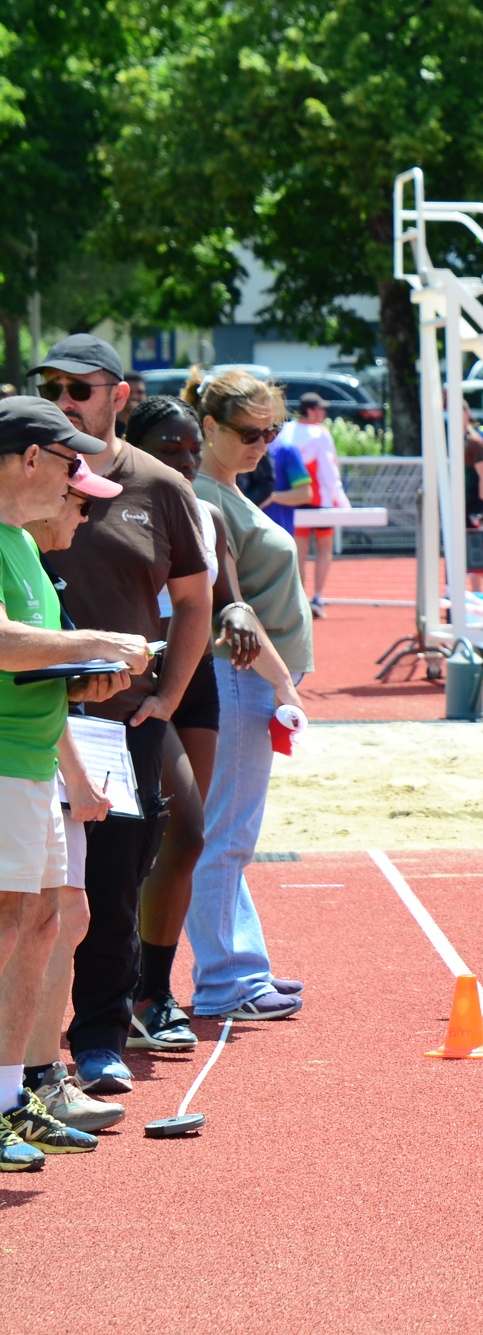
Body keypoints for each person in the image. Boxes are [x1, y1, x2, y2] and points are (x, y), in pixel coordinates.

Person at [35, 335, 214, 1097]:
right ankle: (29, 1056)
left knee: (113, 885)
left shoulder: (161, 485)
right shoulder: (28, 475)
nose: (64, 400)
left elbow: (196, 600)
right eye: (52, 386)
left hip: (121, 722)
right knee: (35, 895)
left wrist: (167, 697)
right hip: (30, 716)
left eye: (79, 388)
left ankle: (101, 1036)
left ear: (119, 395)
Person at [0, 397, 152, 1167]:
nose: (76, 481)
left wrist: (80, 674)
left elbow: (29, 660)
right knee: (11, 926)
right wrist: (100, 641)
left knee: (40, 923)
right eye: (68, 463)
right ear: (31, 458)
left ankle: (14, 1097)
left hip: (29, 763)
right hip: (5, 762)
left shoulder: (20, 544)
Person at [124, 395, 301, 1050]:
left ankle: (153, 990)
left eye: (189, 450)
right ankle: (133, 988)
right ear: (134, 447)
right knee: (148, 838)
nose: (183, 461)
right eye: (168, 449)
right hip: (134, 684)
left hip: (194, 684)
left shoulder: (206, 513)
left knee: (185, 835)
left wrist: (237, 617)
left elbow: (228, 600)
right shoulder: (105, 507)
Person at [187, 368, 314, 1021]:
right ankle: (223, 980)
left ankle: (240, 966)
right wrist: (283, 679)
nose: (262, 444)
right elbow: (228, 609)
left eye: (272, 432)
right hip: (239, 676)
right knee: (225, 833)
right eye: (248, 432)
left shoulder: (229, 491)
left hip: (247, 678)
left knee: (229, 831)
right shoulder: (205, 496)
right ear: (209, 426)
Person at [22, 456, 140, 1135]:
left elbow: (41, 679)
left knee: (62, 918)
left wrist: (79, 684)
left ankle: (38, 1079)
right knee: (38, 922)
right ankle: (29, 1082)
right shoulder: (15, 554)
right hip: (22, 764)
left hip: (40, 758)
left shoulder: (34, 562)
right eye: (79, 501)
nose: (86, 516)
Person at [277, 392, 346, 615]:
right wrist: (341, 501)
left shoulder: (286, 431)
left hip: (295, 498)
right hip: (320, 500)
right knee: (324, 549)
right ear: (310, 410)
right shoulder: (320, 434)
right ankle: (317, 597)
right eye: (320, 409)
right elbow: (329, 470)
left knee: (299, 552)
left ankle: (299, 598)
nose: (324, 413)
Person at [461, 403, 483, 528]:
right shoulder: (449, 440)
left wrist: (481, 506)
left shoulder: (474, 442)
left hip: (472, 503)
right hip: (455, 502)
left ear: (467, 414)